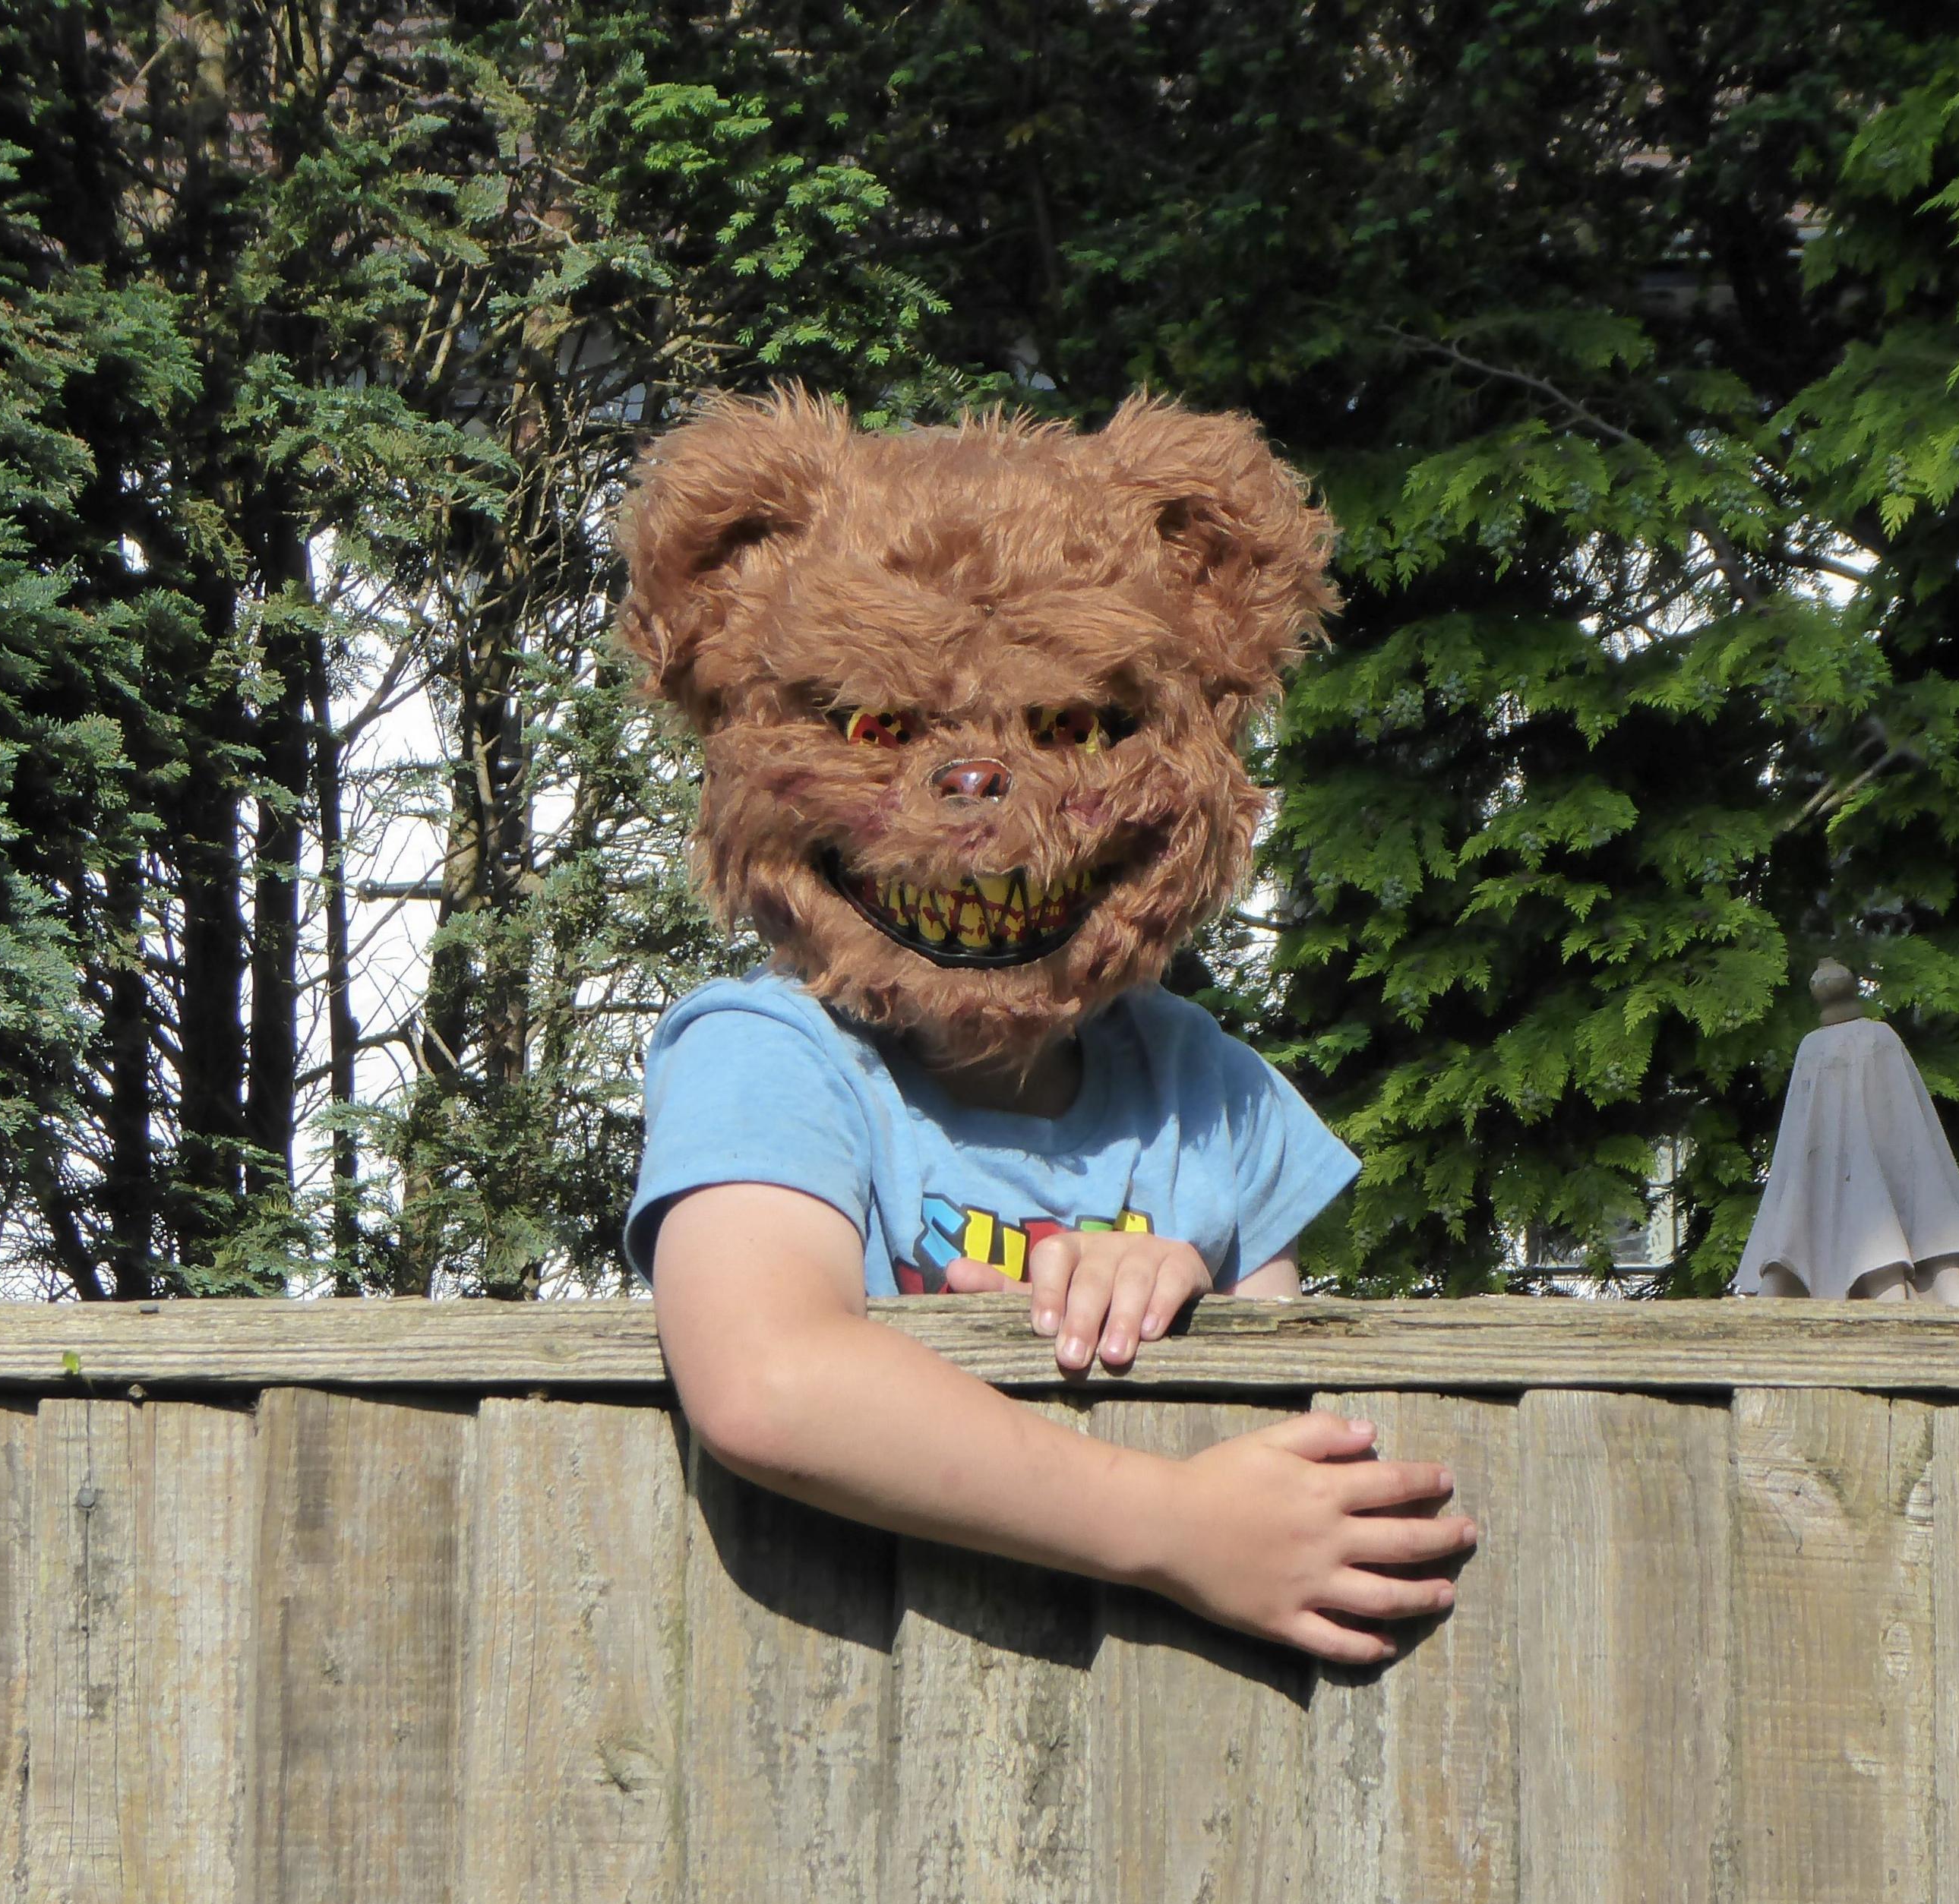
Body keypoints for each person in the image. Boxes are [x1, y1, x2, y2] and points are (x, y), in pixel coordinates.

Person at [618, 392, 1475, 1664]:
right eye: (878, 730)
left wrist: (1188, 1289)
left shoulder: (1206, 1085)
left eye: (1071, 728)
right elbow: (768, 1383)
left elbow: (1297, 1432)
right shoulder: (771, 1056)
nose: (978, 793)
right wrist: (1173, 1524)